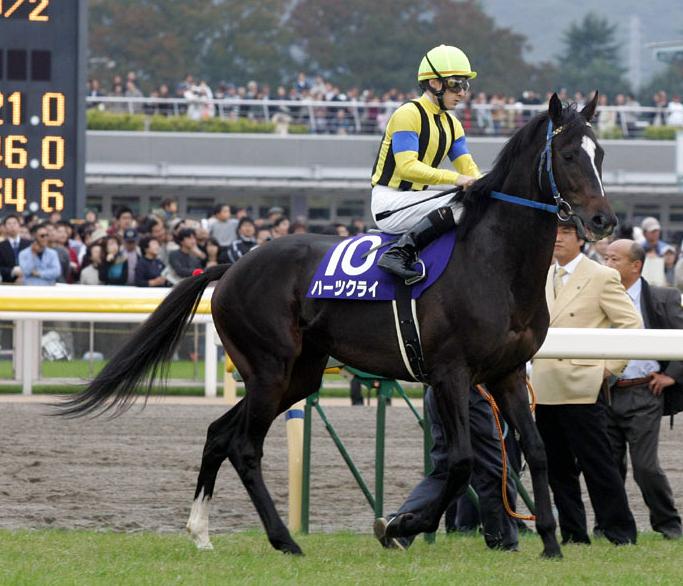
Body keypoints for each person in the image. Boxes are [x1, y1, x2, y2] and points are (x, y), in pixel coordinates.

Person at [530, 223, 641, 546]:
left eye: (565, 232)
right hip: (546, 384)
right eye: (554, 231)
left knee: (598, 464)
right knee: (558, 467)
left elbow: (631, 324)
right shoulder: (542, 275)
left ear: (581, 238)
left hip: (583, 386)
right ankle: (573, 533)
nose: (557, 237)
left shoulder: (601, 276)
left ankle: (619, 531)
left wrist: (608, 369)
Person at [371, 44, 480, 282]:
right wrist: (456, 179)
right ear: (434, 83)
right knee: (460, 206)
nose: (462, 93)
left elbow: (469, 169)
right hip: (389, 202)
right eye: (456, 84)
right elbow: (407, 167)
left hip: (418, 200)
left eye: (466, 85)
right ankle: (399, 253)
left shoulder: (453, 125)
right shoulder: (408, 114)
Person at [374, 386, 519, 551]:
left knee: (448, 473)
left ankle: (398, 529)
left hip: (438, 391)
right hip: (469, 392)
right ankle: (503, 542)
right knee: (493, 471)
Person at [604, 239, 683, 540]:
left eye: (614, 259)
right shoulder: (599, 294)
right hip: (607, 392)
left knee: (645, 467)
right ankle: (611, 528)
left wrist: (671, 375)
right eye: (606, 258)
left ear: (635, 266)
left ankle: (669, 525)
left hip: (645, 393)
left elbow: (681, 337)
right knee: (609, 466)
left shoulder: (663, 297)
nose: (607, 265)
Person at [0, 214, 31, 283]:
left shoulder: (29, 244)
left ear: (19, 226)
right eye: (9, 224)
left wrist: (23, 275)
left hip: (28, 281)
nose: (12, 226)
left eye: (14, 223)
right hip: (7, 282)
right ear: (4, 227)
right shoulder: (1, 246)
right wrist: (13, 271)